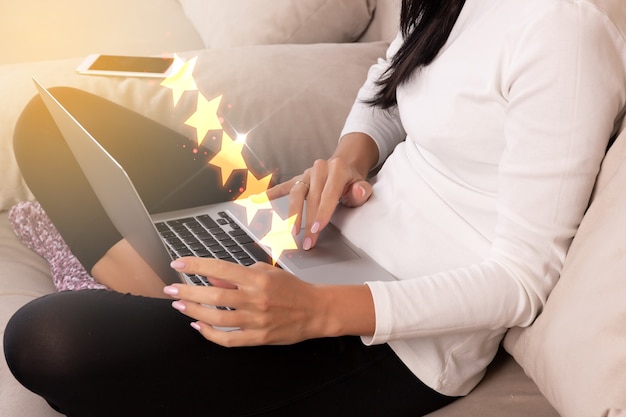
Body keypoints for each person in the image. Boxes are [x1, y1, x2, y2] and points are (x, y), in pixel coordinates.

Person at [4, 0, 626, 416]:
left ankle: (180, 294)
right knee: (47, 121)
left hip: (391, 336)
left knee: (47, 339)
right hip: (316, 238)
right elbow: (387, 85)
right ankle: (174, 286)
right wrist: (349, 162)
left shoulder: (563, 34)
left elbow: (521, 282)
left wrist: (311, 311)